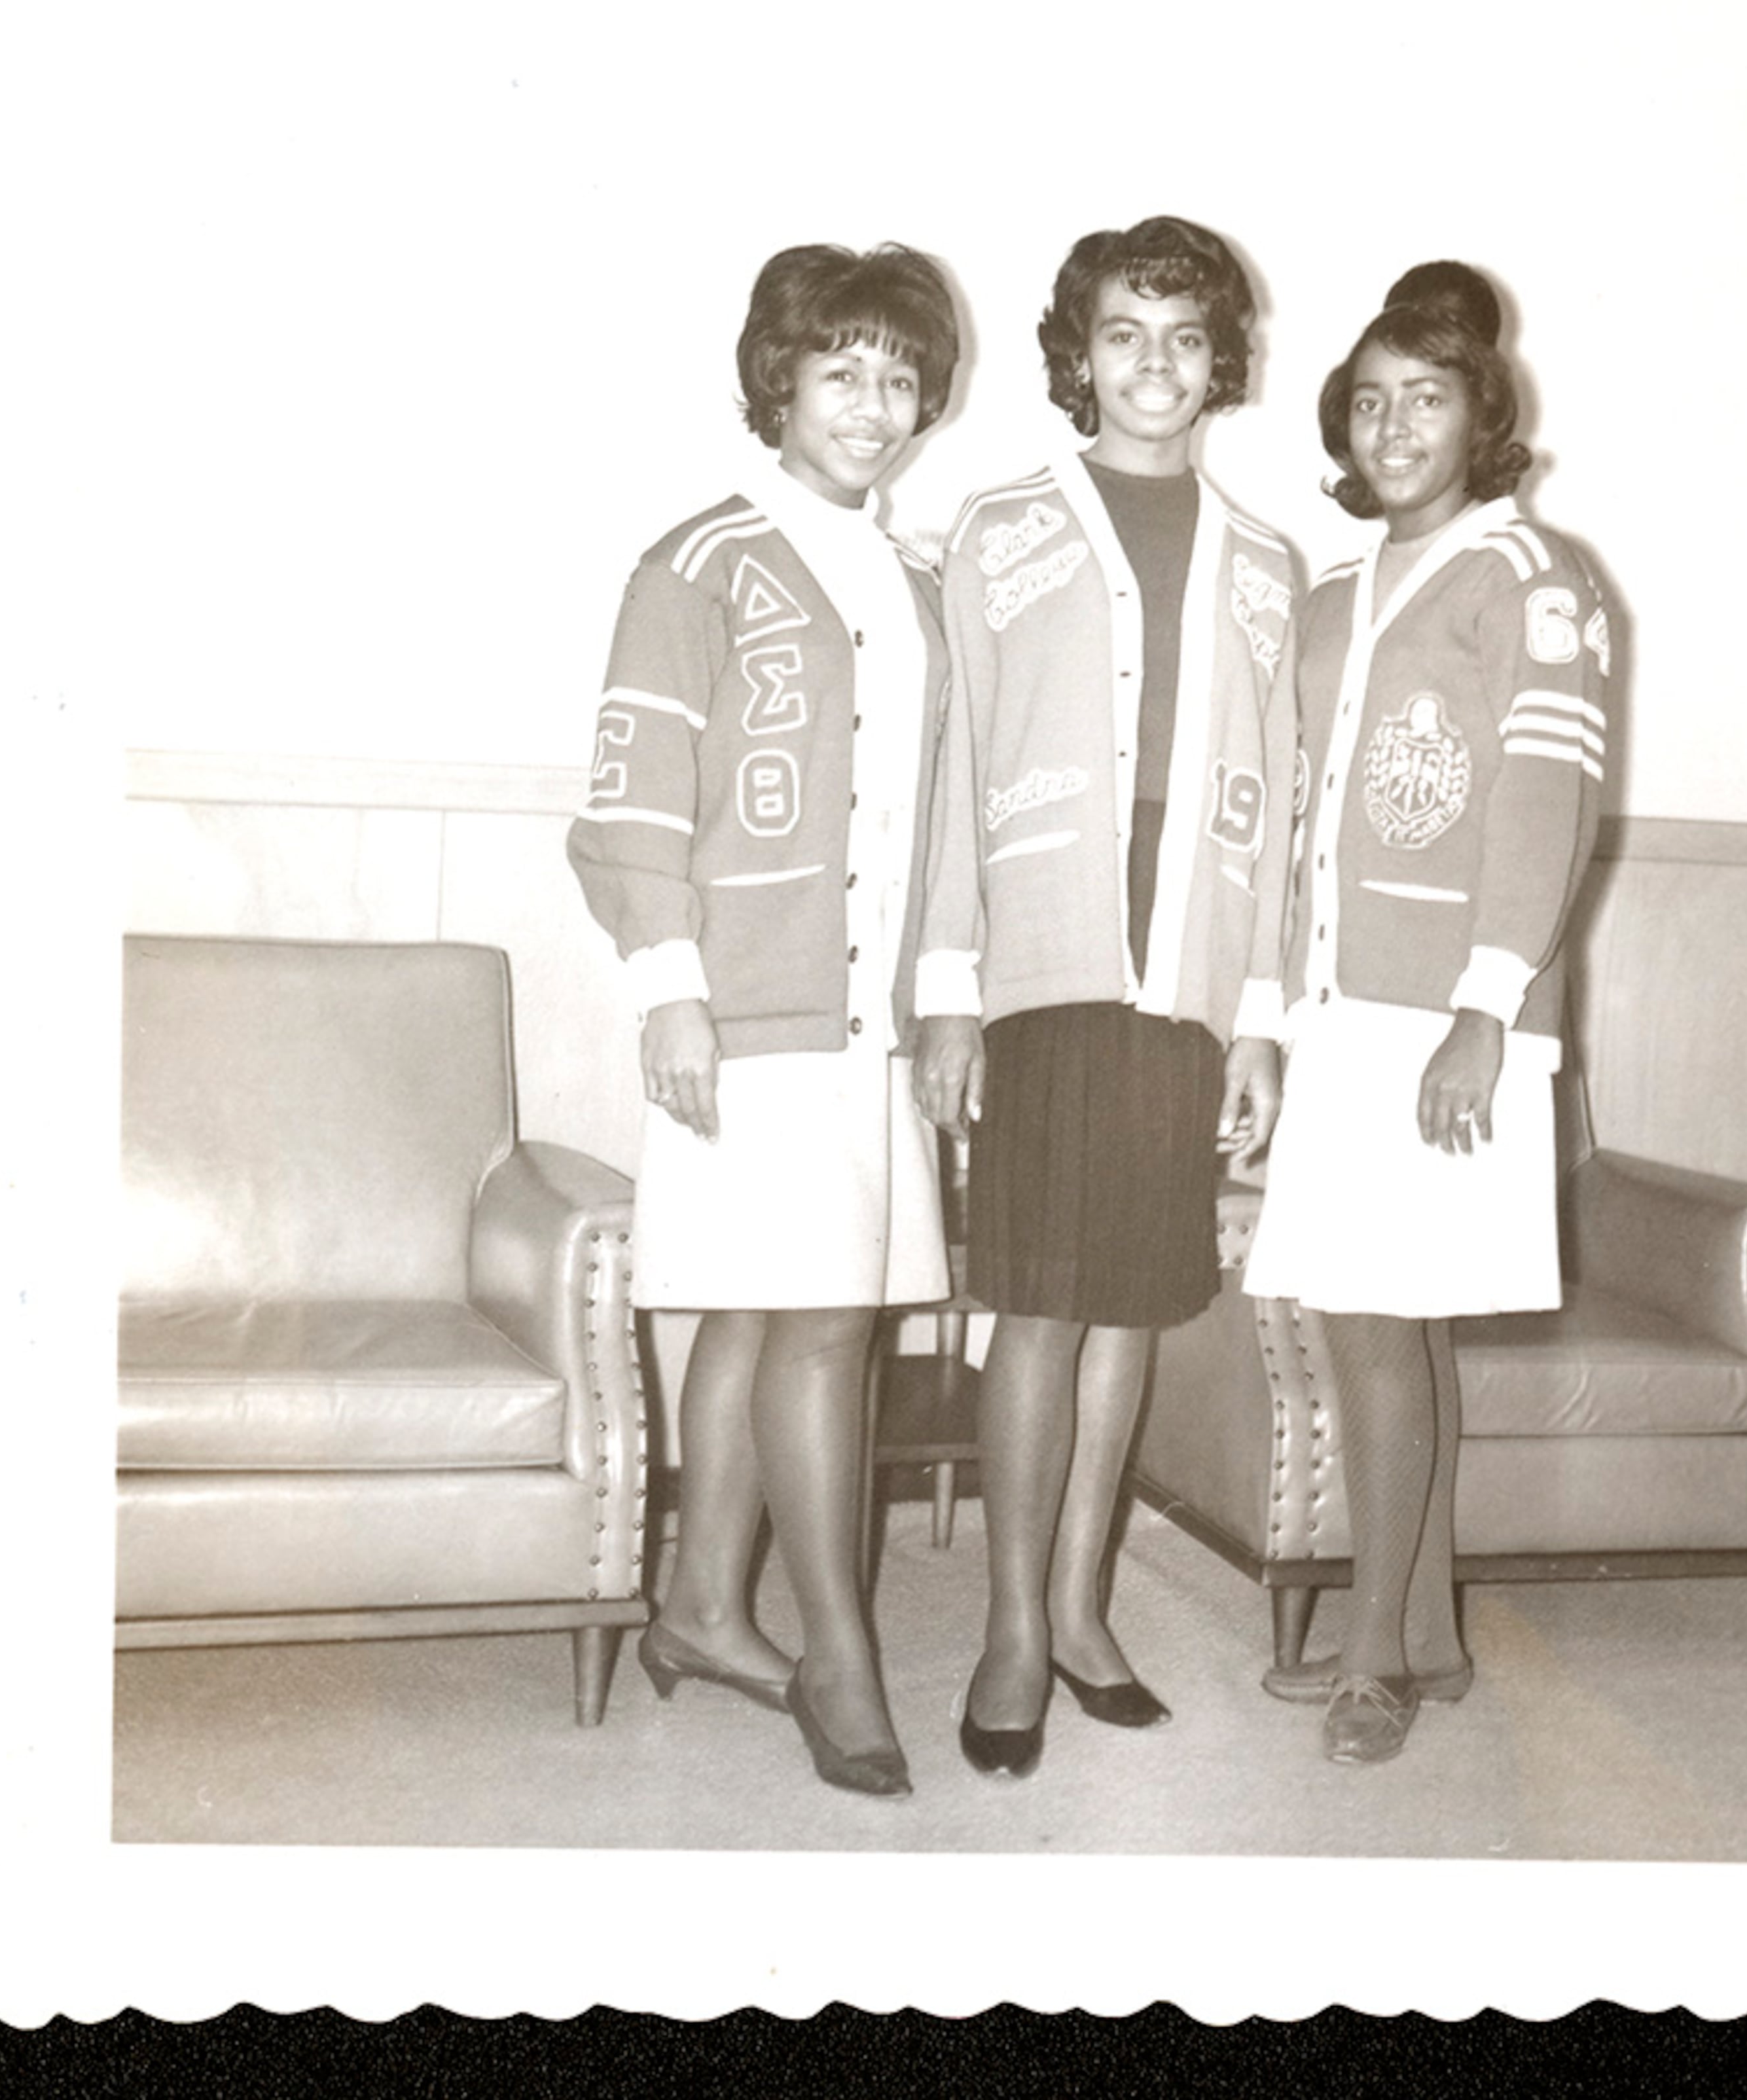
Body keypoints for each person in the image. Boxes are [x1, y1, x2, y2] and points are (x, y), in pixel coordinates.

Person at [568, 242, 963, 1800]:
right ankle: (841, 1654)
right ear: (780, 383)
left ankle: (703, 1612)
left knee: (756, 1311)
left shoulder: (921, 584)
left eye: (897, 375)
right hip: (741, 1011)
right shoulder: (698, 562)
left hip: (868, 1026)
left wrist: (946, 1004)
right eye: (840, 370)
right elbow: (629, 803)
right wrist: (668, 993)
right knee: (822, 1326)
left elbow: (948, 828)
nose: (871, 404)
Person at [914, 214, 1299, 1779]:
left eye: (1187, 337)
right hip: (1043, 973)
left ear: (1222, 362)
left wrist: (1261, 1012)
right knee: (1042, 1307)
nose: (1158, 364)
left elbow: (1271, 811)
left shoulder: (1264, 563)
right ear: (1082, 354)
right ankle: (1011, 1628)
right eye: (1127, 334)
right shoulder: (999, 531)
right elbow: (954, 772)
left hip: (1187, 985)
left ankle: (1083, 1613)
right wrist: (949, 987)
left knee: (1135, 1299)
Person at [1241, 261, 1612, 1765]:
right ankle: (1434, 1637)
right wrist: (1265, 1015)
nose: (1396, 426)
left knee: (1377, 1331)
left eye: (1429, 398)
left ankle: (1376, 1657)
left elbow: (1548, 799)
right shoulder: (1335, 595)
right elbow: (1286, 823)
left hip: (1446, 1017)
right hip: (1338, 1013)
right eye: (1372, 400)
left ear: (1483, 415)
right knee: (1382, 1330)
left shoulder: (1534, 578)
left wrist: (1485, 1008)